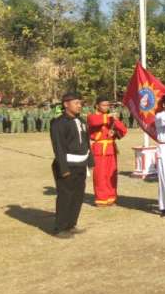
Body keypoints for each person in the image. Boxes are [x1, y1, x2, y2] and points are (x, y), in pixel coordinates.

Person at [49, 92, 93, 238]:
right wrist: (64, 168)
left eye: (80, 103)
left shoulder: (81, 121)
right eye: (76, 103)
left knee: (78, 196)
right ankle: (60, 228)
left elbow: (87, 142)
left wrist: (90, 161)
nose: (79, 105)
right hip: (67, 166)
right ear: (66, 104)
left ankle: (71, 224)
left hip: (81, 165)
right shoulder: (58, 123)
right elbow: (59, 147)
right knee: (65, 196)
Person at [87, 96, 128, 206]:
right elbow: (94, 122)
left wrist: (115, 124)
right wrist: (108, 116)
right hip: (99, 149)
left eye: (108, 105)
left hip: (111, 148)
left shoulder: (111, 118)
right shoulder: (92, 116)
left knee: (111, 175)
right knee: (100, 175)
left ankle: (111, 197)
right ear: (97, 106)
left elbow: (123, 131)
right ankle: (101, 199)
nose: (106, 107)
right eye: (104, 105)